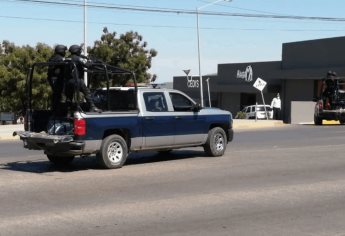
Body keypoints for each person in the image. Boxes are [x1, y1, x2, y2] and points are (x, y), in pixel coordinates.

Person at [65, 44, 101, 112]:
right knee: (87, 93)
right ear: (77, 51)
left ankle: (68, 111)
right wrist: (92, 61)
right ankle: (92, 107)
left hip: (68, 82)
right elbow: (87, 65)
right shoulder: (78, 58)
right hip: (77, 80)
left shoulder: (67, 58)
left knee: (69, 97)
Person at [47, 44, 67, 113]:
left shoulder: (53, 57)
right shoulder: (59, 58)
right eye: (64, 51)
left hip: (53, 78)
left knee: (56, 95)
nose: (65, 52)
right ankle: (57, 110)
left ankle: (55, 109)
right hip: (56, 79)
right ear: (61, 51)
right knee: (58, 95)